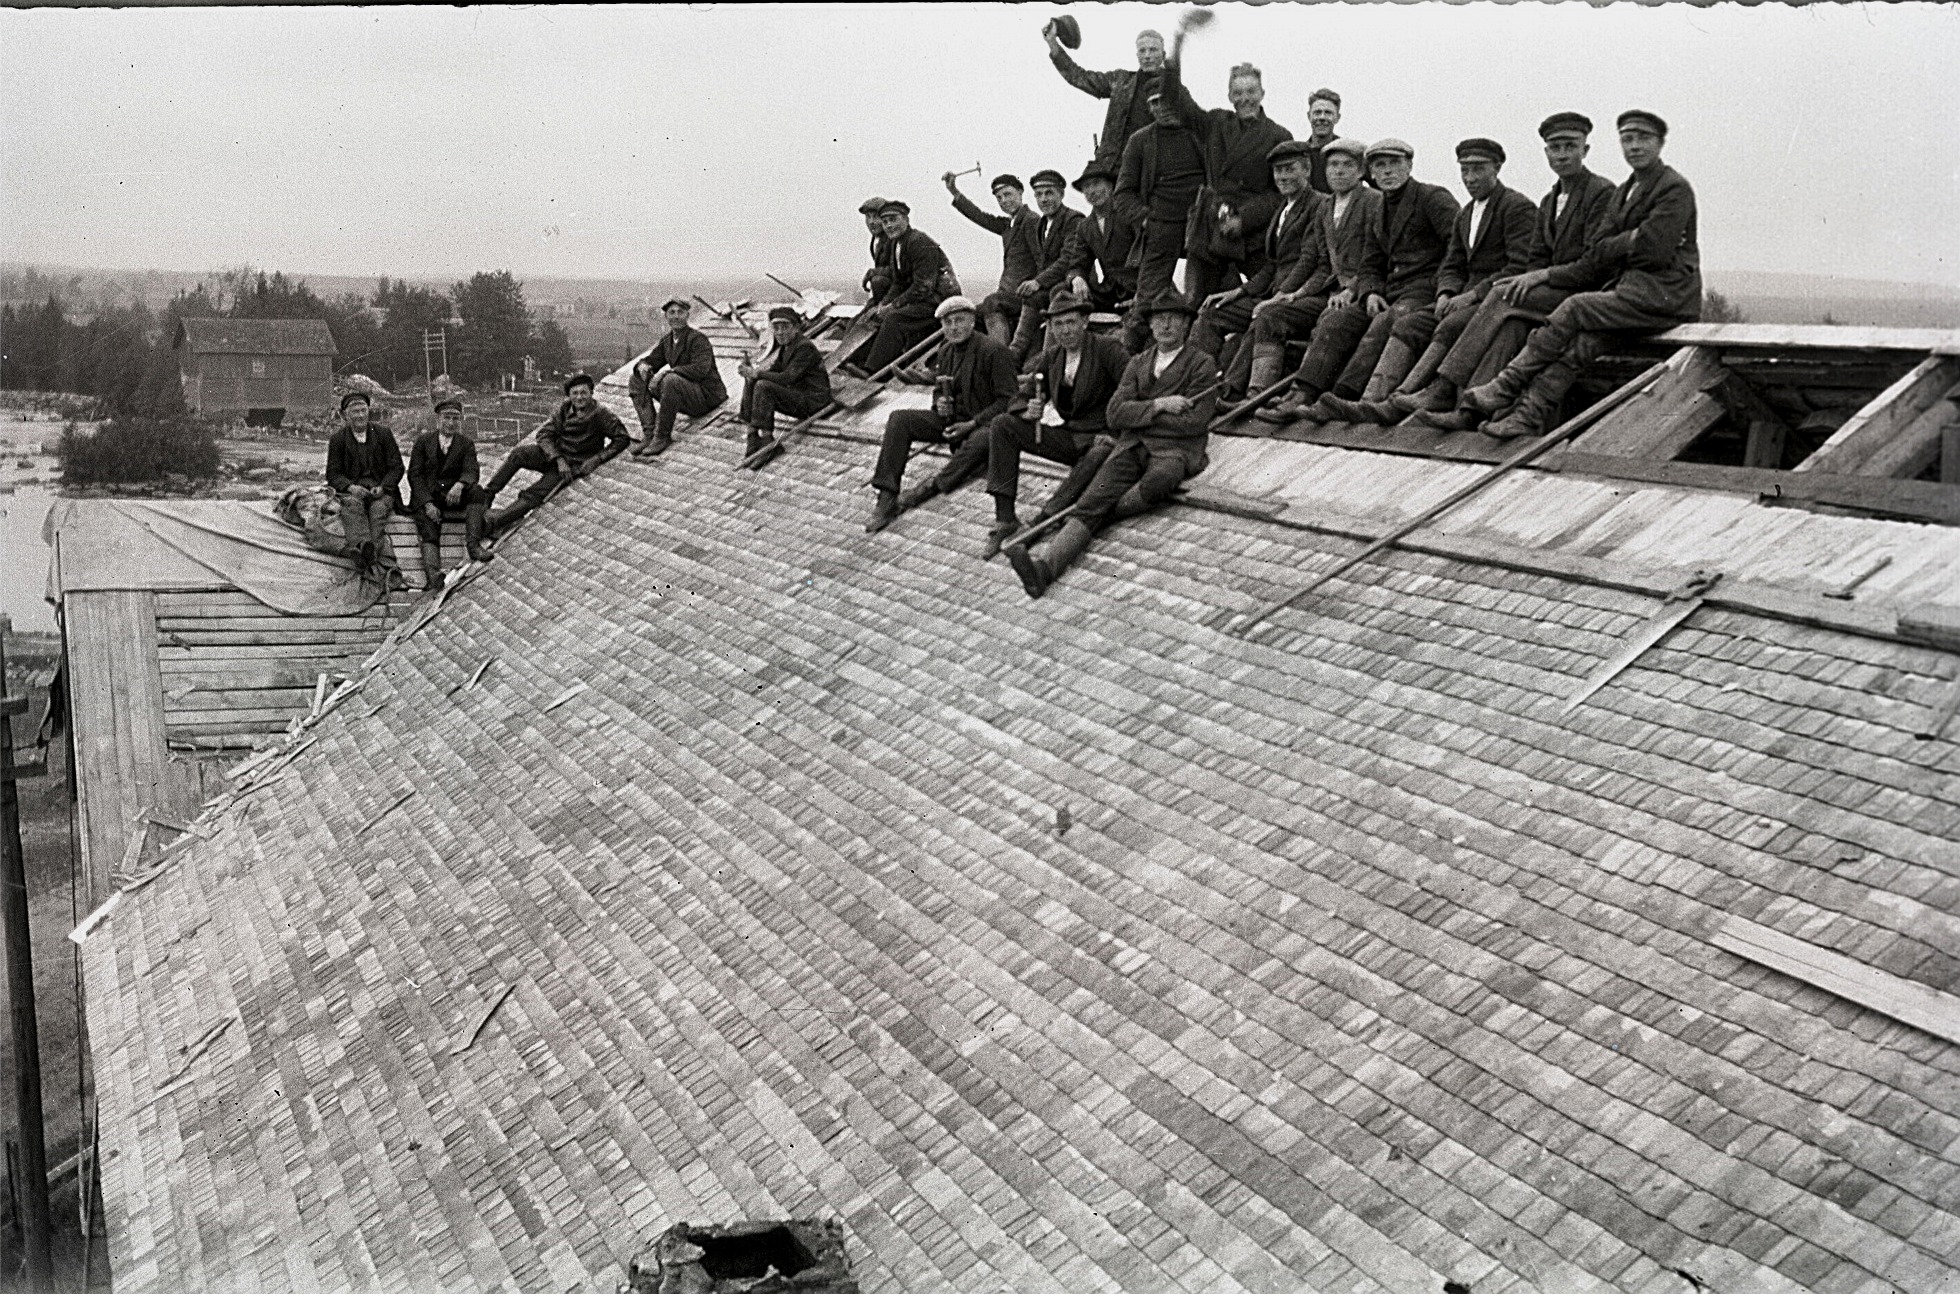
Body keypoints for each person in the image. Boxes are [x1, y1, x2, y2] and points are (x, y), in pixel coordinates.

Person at [1459, 109, 1700, 438]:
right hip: (1630, 296)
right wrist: (1629, 239)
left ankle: (1505, 385)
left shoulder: (1673, 188)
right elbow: (1598, 251)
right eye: (1627, 139)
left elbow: (1653, 251)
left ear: (1660, 144)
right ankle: (1526, 416)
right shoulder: (1626, 190)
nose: (1635, 147)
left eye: (1643, 139)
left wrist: (1624, 243)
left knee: (1576, 307)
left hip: (1664, 297)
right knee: (1583, 344)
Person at [1400, 112, 1620, 430]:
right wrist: (1531, 277)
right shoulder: (1551, 199)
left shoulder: (1601, 193)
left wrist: (1539, 277)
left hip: (1584, 294)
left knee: (1503, 295)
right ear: (1546, 153)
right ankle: (1469, 411)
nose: (1561, 155)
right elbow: (1535, 258)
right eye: (1554, 148)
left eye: (1569, 146)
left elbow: (1595, 265)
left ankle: (1443, 387)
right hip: (1553, 294)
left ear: (1585, 150)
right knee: (1512, 325)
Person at [1004, 290, 1217, 599]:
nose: (1166, 325)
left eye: (1173, 319)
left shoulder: (1201, 364)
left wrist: (1138, 414)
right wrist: (1159, 406)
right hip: (1130, 447)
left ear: (1186, 324)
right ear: (1151, 325)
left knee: (1160, 480)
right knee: (1092, 499)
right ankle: (1044, 570)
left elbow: (1195, 422)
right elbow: (1115, 414)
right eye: (1159, 319)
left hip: (1176, 449)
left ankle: (1103, 513)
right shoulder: (1139, 363)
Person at [1319, 136, 1535, 422]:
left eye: (1478, 169)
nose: (1470, 178)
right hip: (1444, 294)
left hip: (1486, 296)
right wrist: (1446, 291)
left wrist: (1468, 294)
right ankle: (1359, 398)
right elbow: (1453, 261)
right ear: (1371, 173)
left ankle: (1389, 399)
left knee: (1407, 320)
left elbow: (1521, 264)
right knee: (1382, 321)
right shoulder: (1466, 213)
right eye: (1465, 170)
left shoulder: (1513, 206)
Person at [1267, 137, 1457, 423]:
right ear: (1372, 172)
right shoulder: (1382, 207)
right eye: (1380, 166)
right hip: (1390, 289)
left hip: (1425, 287)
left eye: (1395, 164)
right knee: (1338, 319)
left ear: (1409, 166)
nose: (1388, 172)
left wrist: (1446, 288)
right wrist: (1369, 291)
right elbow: (1371, 262)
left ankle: (1353, 398)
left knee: (1386, 321)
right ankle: (1304, 392)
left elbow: (1457, 248)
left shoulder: (1432, 198)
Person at [972, 290, 1130, 557]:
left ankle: (1043, 520)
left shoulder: (1107, 349)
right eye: (1058, 324)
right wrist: (1026, 410)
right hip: (1070, 438)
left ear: (1084, 322)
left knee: (1099, 453)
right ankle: (1005, 519)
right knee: (1002, 425)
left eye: (1070, 322)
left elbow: (1132, 390)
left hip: (1103, 439)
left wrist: (1115, 432)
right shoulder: (1053, 357)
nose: (1065, 330)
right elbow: (1020, 396)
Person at [1250, 138, 1383, 418]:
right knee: (1273, 314)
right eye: (1333, 165)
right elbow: (1323, 264)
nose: (1338, 171)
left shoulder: (1374, 202)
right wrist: (1296, 295)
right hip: (1331, 292)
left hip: (1366, 291)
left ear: (1361, 172)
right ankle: (1257, 393)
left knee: (1333, 320)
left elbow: (1379, 257)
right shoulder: (1326, 208)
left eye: (1347, 165)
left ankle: (1303, 394)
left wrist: (1353, 289)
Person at [864, 295, 1017, 533]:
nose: (954, 328)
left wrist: (972, 423)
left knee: (983, 438)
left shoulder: (994, 351)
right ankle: (886, 497)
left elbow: (1009, 401)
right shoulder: (945, 351)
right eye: (948, 323)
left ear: (972, 322)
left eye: (959, 320)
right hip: (953, 421)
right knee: (900, 419)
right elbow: (939, 389)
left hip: (982, 424)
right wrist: (940, 404)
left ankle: (929, 488)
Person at [1191, 139, 1322, 397]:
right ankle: (1196, 383)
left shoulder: (1318, 205)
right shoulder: (1283, 210)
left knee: (1264, 316)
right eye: (1277, 171)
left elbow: (1309, 260)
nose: (1282, 176)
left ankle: (1232, 392)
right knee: (1212, 312)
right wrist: (1239, 293)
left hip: (1302, 296)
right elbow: (1272, 265)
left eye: (1289, 169)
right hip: (1274, 293)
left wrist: (1278, 296)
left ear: (1306, 170)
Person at [1160, 60, 1294, 303]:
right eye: (1238, 93)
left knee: (1268, 294)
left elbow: (1280, 194)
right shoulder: (1216, 123)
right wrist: (1173, 57)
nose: (1245, 99)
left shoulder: (1278, 136)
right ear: (1230, 96)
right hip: (1210, 229)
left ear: (1262, 93)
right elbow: (1176, 103)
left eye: (1251, 92)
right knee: (1196, 301)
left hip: (1253, 233)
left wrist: (1242, 220)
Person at [1113, 88, 1209, 353]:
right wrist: (1144, 220)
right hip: (1161, 227)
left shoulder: (1201, 135)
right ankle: (1127, 364)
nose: (1162, 107)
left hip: (1201, 225)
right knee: (1146, 301)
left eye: (1168, 100)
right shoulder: (1140, 141)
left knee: (1209, 298)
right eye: (1154, 102)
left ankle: (1196, 366)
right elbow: (1122, 193)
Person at [483, 372, 631, 533]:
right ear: (569, 395)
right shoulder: (565, 409)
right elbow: (544, 434)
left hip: (573, 465)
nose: (579, 397)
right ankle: (488, 495)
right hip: (555, 458)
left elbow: (622, 438)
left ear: (591, 393)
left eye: (584, 393)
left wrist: (597, 459)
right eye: (575, 393)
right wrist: (557, 458)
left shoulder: (601, 414)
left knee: (536, 493)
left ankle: (497, 521)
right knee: (519, 454)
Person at [1045, 23, 1175, 174]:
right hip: (1111, 168)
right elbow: (1080, 77)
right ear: (1137, 55)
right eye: (1142, 51)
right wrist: (1052, 43)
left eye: (1153, 50)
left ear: (1163, 55)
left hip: (1149, 172)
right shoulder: (1120, 81)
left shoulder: (1174, 91)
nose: (1147, 56)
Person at [946, 172, 1040, 350]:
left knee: (991, 303)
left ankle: (1000, 359)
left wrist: (1036, 284)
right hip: (1008, 295)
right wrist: (954, 192)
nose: (1004, 201)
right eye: (999, 198)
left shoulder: (1031, 221)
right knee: (967, 314)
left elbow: (1041, 258)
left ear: (1020, 192)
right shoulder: (1008, 225)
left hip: (1023, 296)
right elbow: (981, 217)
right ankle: (944, 367)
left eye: (1008, 194)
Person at [324, 391, 407, 591]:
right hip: (354, 492)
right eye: (355, 412)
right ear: (345, 416)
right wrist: (351, 487)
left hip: (381, 491)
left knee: (378, 511)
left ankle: (368, 552)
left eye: (363, 410)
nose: (360, 416)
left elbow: (397, 466)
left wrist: (384, 486)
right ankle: (364, 547)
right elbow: (332, 474)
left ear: (369, 412)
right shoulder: (338, 439)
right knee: (352, 508)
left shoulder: (383, 434)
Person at [406, 397, 492, 587]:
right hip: (428, 497)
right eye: (447, 418)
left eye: (455, 418)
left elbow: (472, 471)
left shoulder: (465, 444)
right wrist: (428, 503)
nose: (451, 423)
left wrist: (460, 485)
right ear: (438, 419)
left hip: (453, 496)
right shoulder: (423, 442)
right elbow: (415, 475)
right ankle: (433, 574)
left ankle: (473, 545)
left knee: (477, 492)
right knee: (429, 527)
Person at [860, 200, 955, 372]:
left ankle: (872, 370)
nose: (889, 225)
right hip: (923, 298)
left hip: (939, 300)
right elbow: (898, 282)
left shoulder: (919, 242)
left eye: (893, 219)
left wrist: (894, 306)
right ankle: (861, 363)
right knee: (877, 316)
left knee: (894, 319)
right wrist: (884, 304)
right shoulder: (898, 243)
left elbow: (923, 287)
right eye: (885, 221)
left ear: (906, 219)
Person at [627, 297, 727, 457]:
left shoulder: (698, 339)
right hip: (685, 394)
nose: (676, 316)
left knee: (670, 380)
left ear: (687, 315)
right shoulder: (668, 340)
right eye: (671, 312)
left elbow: (700, 369)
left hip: (706, 397)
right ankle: (650, 434)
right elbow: (653, 360)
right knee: (636, 379)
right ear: (666, 317)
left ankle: (662, 436)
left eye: (680, 312)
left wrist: (668, 372)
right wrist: (642, 365)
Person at [737, 306, 832, 461]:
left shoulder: (804, 347)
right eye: (776, 328)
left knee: (763, 385)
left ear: (796, 328)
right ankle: (752, 434)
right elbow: (775, 370)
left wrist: (757, 374)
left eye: (785, 327)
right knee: (753, 381)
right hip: (799, 397)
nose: (780, 332)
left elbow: (787, 378)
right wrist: (752, 373)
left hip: (814, 401)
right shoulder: (786, 347)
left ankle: (768, 440)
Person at [1015, 169, 1088, 358]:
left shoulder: (1073, 219)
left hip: (1074, 285)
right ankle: (1015, 353)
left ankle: (1049, 358)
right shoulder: (1041, 225)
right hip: (1052, 284)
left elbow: (1068, 259)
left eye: (1049, 193)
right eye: (1039, 194)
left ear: (1061, 194)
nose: (1044, 199)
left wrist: (1038, 281)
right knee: (1031, 298)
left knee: (1057, 293)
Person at [1066, 163, 1139, 315]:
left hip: (1140, 287)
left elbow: (1149, 254)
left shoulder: (1128, 214)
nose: (1092, 191)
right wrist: (1077, 278)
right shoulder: (1085, 226)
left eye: (1097, 184)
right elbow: (1078, 262)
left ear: (1111, 186)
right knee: (1062, 293)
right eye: (1087, 186)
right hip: (1110, 292)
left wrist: (1144, 292)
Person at [1301, 90, 1343, 194]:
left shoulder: (1346, 152)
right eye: (1317, 112)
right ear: (1309, 116)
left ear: (1337, 118)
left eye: (1328, 113)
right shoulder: (1300, 154)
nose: (1322, 117)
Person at [860, 196, 894, 301]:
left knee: (878, 281)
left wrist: (873, 273)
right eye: (868, 217)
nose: (871, 222)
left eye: (875, 217)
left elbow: (900, 271)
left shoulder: (895, 238)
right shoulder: (877, 240)